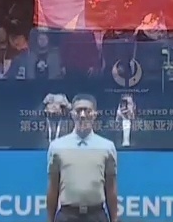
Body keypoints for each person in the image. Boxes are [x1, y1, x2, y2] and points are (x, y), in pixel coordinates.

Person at [46, 94, 119, 222]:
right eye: (78, 111)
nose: (83, 115)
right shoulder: (57, 146)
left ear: (94, 114)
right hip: (67, 216)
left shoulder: (107, 147)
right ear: (72, 114)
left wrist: (114, 219)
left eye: (87, 110)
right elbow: (53, 188)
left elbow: (111, 188)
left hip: (96, 215)